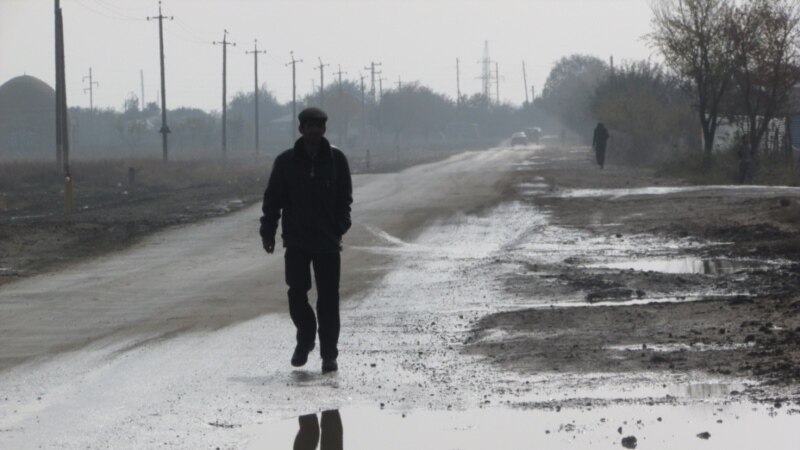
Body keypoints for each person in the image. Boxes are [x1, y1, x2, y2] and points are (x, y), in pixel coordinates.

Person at [260, 107, 353, 374]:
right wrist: (268, 232)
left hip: (327, 243)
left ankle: (329, 355)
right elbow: (272, 201)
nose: (314, 130)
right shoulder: (285, 162)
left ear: (325, 129)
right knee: (296, 295)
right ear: (300, 129)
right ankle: (306, 337)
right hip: (297, 242)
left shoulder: (337, 160)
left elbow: (345, 199)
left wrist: (340, 226)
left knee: (328, 300)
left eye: (318, 126)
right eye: (309, 126)